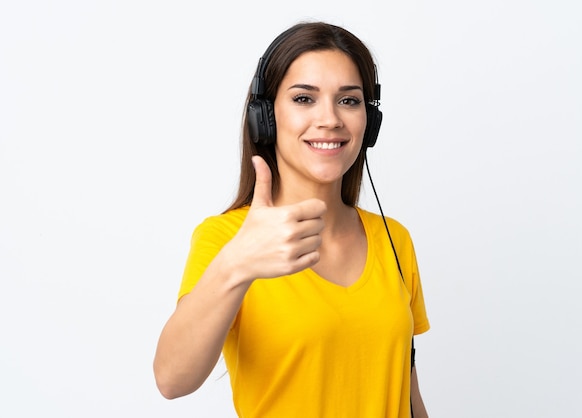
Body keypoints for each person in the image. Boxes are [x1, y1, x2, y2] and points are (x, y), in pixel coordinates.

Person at [153, 21, 430, 418]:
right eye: (304, 99)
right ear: (265, 116)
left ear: (369, 121)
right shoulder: (226, 239)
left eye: (349, 101)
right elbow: (171, 380)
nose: (330, 119)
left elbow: (409, 396)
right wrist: (237, 265)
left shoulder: (393, 239)